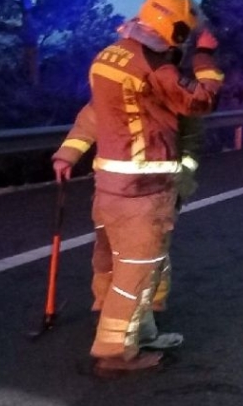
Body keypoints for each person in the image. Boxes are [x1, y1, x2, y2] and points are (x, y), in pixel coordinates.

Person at [52, 0, 223, 374]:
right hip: (142, 192)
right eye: (185, 34)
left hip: (109, 189)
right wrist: (206, 57)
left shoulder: (111, 57)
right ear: (176, 29)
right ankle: (115, 352)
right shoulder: (154, 66)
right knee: (136, 273)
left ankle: (139, 331)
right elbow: (200, 101)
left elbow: (95, 112)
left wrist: (68, 152)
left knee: (120, 264)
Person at [53, 108, 205, 322]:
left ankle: (151, 305)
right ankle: (105, 302)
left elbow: (191, 140)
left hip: (156, 192)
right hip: (111, 191)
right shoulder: (111, 92)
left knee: (149, 251)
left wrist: (181, 180)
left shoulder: (174, 95)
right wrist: (67, 156)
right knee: (106, 250)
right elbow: (89, 122)